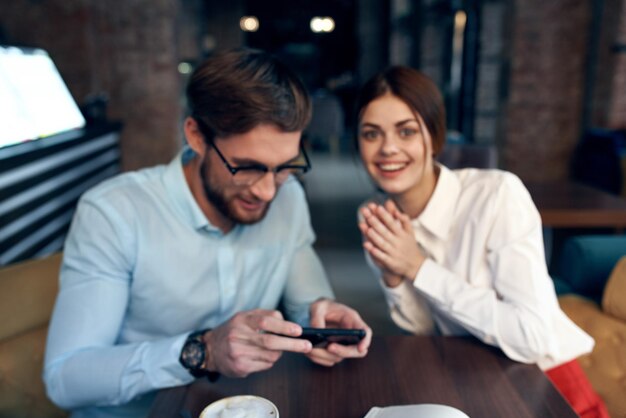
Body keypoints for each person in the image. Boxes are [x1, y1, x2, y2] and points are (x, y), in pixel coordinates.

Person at [44, 49, 372, 418]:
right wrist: (203, 351)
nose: (266, 192)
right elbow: (65, 378)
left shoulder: (288, 197)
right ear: (196, 136)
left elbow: (305, 304)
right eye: (247, 167)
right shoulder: (114, 213)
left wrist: (320, 319)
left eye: (284, 167)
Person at [354, 66, 608, 418]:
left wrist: (417, 266)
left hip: (545, 383)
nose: (388, 148)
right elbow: (426, 329)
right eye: (371, 134)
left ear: (435, 136)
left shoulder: (497, 195)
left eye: (406, 131)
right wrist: (394, 277)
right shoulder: (377, 215)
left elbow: (531, 337)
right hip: (464, 376)